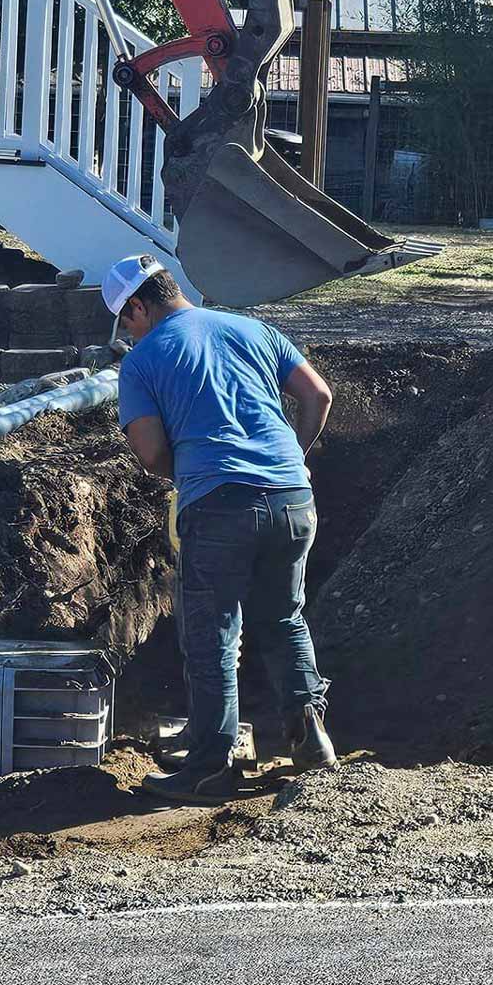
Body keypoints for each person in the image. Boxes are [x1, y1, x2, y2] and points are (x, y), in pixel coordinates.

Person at [103, 253, 337, 806]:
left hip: (220, 505)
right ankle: (312, 739)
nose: (127, 333)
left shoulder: (142, 361)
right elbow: (318, 395)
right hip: (292, 498)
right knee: (283, 616)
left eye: (125, 321)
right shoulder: (252, 327)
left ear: (138, 306)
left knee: (212, 635)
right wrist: (292, 457)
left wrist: (188, 476)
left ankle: (209, 766)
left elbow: (151, 451)